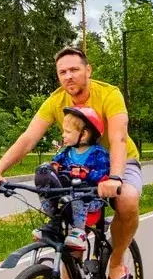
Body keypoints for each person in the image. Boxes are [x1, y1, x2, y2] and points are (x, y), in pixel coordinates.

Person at [0, 46, 142, 279]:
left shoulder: (109, 94)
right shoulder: (56, 101)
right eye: (62, 72)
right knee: (67, 243)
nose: (68, 76)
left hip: (117, 162)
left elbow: (118, 137)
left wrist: (114, 178)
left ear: (88, 70)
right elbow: (28, 138)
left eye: (74, 70)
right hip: (77, 167)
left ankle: (115, 264)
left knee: (127, 200)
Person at [34, 106, 111, 251]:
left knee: (78, 193)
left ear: (84, 134)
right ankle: (52, 223)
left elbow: (103, 175)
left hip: (91, 199)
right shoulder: (67, 152)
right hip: (68, 195)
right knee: (45, 182)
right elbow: (55, 162)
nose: (63, 135)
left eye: (68, 132)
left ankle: (79, 232)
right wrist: (53, 167)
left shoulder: (98, 153)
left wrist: (86, 173)